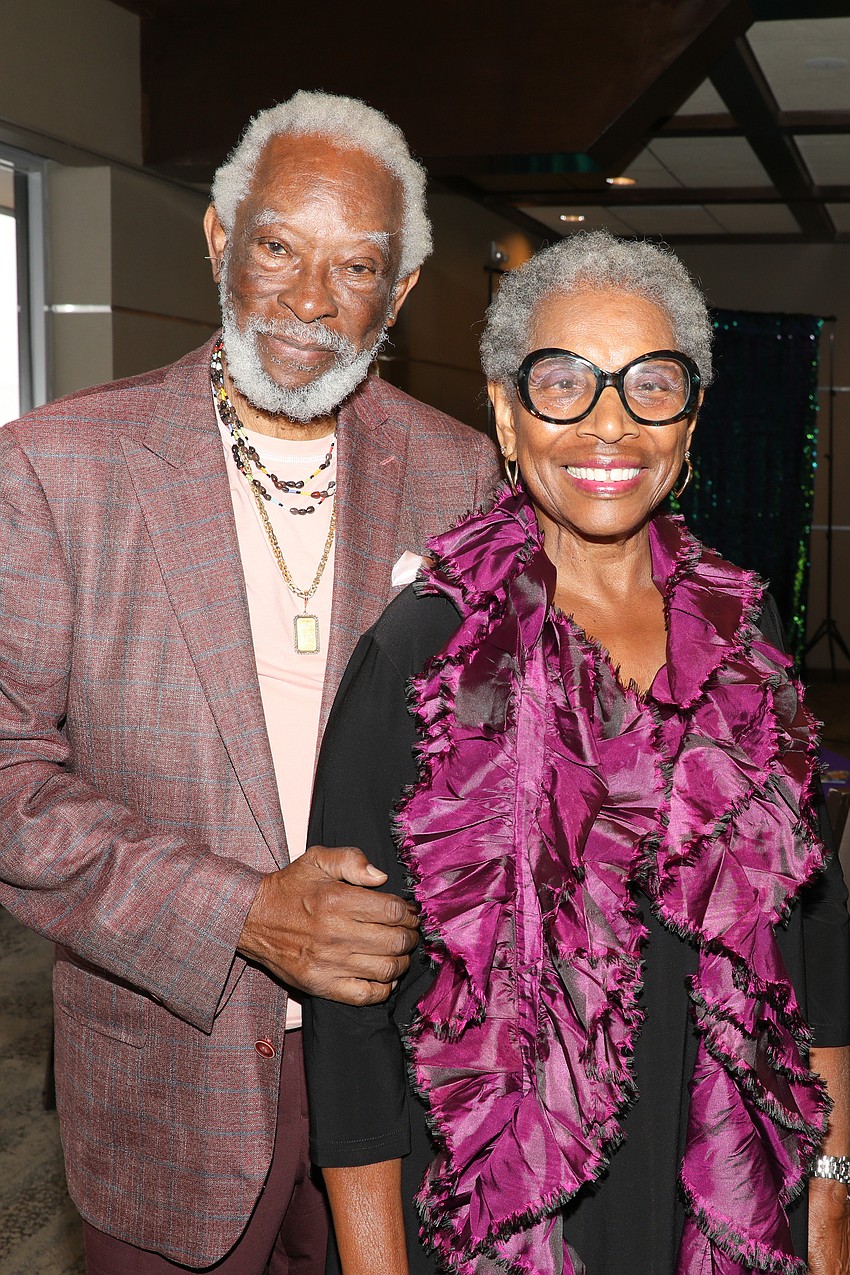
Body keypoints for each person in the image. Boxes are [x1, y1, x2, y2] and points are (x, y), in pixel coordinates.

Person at [0, 90, 500, 1273]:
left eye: (356, 266)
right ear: (221, 241)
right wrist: (239, 911)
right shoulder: (55, 467)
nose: (311, 300)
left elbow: (485, 763)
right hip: (165, 1071)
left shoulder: (461, 472)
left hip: (399, 1071)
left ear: (399, 293)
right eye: (278, 247)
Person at [304, 231, 850, 1274]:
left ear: (690, 419)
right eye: (563, 382)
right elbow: (349, 1009)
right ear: (506, 415)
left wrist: (829, 1183)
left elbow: (816, 932)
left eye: (651, 384)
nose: (609, 423)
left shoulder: (750, 630)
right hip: (489, 1216)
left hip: (724, 1192)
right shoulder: (425, 650)